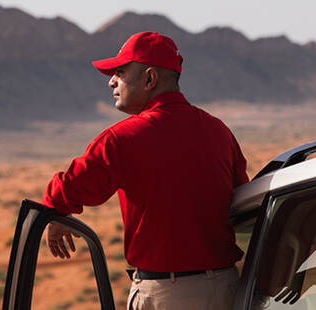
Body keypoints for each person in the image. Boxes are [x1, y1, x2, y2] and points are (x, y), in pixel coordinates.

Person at [41, 31, 249, 310]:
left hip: (167, 296)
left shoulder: (122, 139)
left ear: (149, 79)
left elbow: (69, 188)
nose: (111, 81)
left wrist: (54, 214)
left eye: (121, 72)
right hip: (230, 290)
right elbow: (243, 208)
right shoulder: (219, 132)